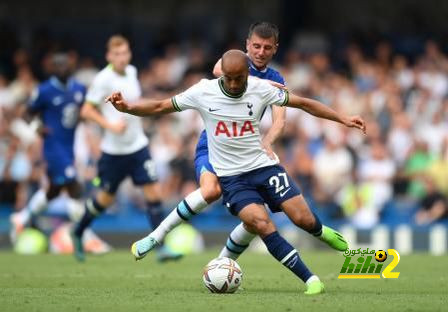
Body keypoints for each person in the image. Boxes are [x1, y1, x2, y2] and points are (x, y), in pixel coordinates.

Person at [107, 49, 366, 294]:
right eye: (228, 79)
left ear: (247, 74)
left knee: (303, 220)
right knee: (262, 224)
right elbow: (160, 107)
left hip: (264, 167)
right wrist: (127, 108)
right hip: (233, 179)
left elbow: (305, 104)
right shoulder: (203, 91)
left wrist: (342, 119)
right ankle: (311, 280)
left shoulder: (261, 89)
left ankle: (320, 231)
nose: (232, 84)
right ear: (222, 75)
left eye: (238, 79)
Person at [140, 22, 289, 260]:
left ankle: (222, 263)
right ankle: (157, 236)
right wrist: (256, 83)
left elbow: (280, 120)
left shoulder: (276, 78)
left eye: (267, 48)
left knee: (256, 217)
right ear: (248, 45)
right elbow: (219, 69)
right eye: (256, 46)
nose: (261, 52)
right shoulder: (234, 63)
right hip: (214, 144)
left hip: (245, 154)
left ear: (275, 49)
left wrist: (268, 141)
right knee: (210, 191)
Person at [71, 35, 181, 262]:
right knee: (104, 200)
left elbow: (134, 100)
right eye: (118, 54)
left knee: (153, 193)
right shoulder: (103, 79)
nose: (122, 57)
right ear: (109, 56)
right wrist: (109, 125)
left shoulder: (131, 72)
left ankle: (161, 247)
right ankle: (79, 230)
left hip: (137, 145)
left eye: (125, 52)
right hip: (113, 151)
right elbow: (86, 111)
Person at [10, 52, 86, 241]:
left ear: (71, 66)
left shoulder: (79, 88)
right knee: (74, 188)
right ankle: (84, 234)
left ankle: (22, 217)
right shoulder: (44, 90)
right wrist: (37, 127)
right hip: (53, 147)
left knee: (53, 191)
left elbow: (85, 110)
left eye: (64, 65)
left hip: (69, 145)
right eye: (57, 65)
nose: (62, 68)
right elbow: (26, 113)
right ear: (51, 69)